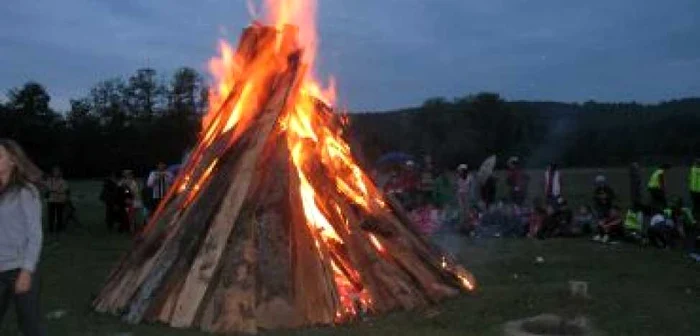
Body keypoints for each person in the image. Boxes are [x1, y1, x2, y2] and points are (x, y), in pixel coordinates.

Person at [0, 139, 47, 336]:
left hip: (19, 268)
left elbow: (35, 234)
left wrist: (27, 271)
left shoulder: (25, 192)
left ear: (12, 160)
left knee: (30, 326)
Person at [44, 166, 69, 234]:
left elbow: (64, 189)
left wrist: (54, 191)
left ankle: (59, 228)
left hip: (60, 200)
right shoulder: (50, 180)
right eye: (55, 171)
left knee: (59, 215)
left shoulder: (63, 181)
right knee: (51, 215)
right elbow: (47, 188)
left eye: (57, 171)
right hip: (51, 200)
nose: (56, 173)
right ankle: (51, 229)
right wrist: (56, 190)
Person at [456, 164, 474, 232]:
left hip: (467, 195)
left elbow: (471, 188)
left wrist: (470, 195)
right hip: (460, 195)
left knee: (467, 211)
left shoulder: (470, 178)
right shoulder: (459, 178)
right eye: (459, 171)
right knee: (461, 211)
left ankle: (468, 225)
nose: (460, 172)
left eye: (461, 171)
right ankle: (462, 225)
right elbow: (458, 188)